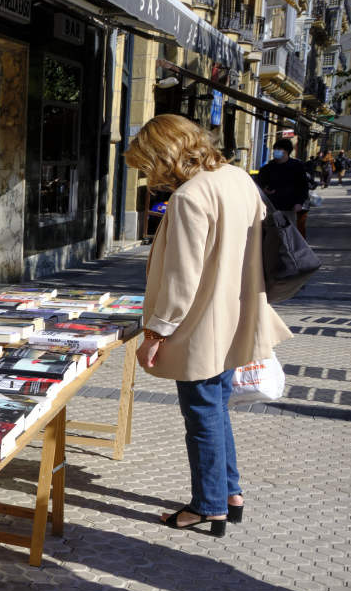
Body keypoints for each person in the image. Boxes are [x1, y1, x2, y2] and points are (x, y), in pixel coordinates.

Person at [123, 115, 292, 537]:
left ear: (164, 154)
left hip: (201, 324)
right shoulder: (237, 178)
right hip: (235, 314)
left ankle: (208, 506)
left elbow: (182, 278)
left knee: (201, 415)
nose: (150, 175)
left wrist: (155, 333)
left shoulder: (189, 197)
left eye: (148, 164)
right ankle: (229, 494)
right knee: (215, 409)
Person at [256, 137, 312, 230]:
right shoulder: (267, 168)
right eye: (275, 149)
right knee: (271, 233)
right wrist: (264, 190)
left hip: (289, 208)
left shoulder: (296, 167)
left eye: (279, 149)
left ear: (286, 152)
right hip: (271, 207)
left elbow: (303, 186)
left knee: (289, 233)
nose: (275, 152)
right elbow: (258, 184)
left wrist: (299, 202)